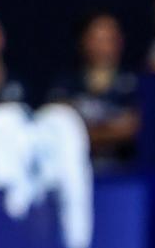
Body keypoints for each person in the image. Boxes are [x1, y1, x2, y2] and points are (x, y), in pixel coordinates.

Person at [48, 11, 139, 169]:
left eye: (110, 39)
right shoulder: (66, 85)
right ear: (83, 41)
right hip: (78, 170)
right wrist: (112, 130)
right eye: (97, 39)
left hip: (126, 173)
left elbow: (135, 129)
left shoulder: (135, 84)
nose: (104, 46)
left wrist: (84, 131)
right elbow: (59, 133)